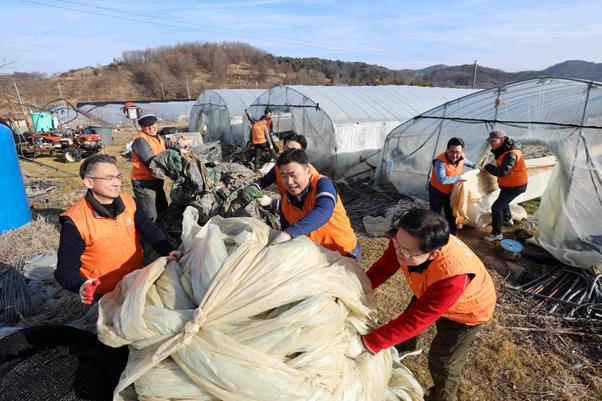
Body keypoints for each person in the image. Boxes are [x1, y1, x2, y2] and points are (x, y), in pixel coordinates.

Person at [346, 208, 496, 401]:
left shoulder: (452, 277)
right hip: (428, 288)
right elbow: (383, 269)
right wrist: (357, 290)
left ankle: (442, 398)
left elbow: (415, 321)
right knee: (414, 311)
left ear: (432, 254)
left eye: (406, 250)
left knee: (444, 361)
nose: (397, 250)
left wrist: (366, 343)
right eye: (396, 242)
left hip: (467, 310)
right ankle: (409, 345)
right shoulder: (406, 242)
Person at [55, 154, 179, 304]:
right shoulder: (75, 221)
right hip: (105, 293)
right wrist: (81, 286)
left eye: (118, 177)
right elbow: (65, 269)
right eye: (108, 178)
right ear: (89, 182)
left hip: (135, 280)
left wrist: (168, 249)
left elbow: (149, 229)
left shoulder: (130, 202)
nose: (116, 183)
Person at [270, 149, 360, 260]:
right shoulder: (285, 203)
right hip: (317, 257)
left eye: (293, 175)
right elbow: (287, 235)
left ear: (308, 172)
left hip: (344, 253)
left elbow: (323, 211)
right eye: (283, 176)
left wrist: (288, 233)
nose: (289, 182)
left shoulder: (322, 184)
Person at [483, 129, 528, 241]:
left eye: (494, 141)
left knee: (496, 207)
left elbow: (503, 172)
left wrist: (488, 167)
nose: (491, 143)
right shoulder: (504, 150)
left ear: (502, 140)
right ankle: (507, 219)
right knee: (503, 201)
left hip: (515, 187)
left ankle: (497, 233)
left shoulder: (511, 154)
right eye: (490, 141)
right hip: (510, 185)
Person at [429, 137, 476, 235]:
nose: (455, 155)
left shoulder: (461, 157)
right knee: (435, 214)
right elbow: (442, 180)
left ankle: (452, 233)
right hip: (436, 191)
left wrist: (476, 167)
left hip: (450, 191)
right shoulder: (440, 162)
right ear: (447, 149)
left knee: (450, 213)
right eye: (451, 151)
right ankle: (434, 233)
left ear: (462, 151)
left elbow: (468, 163)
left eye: (458, 152)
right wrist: (460, 177)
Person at [130, 114, 168, 222]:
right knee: (151, 215)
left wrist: (181, 149)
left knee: (162, 209)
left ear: (156, 124)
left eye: (153, 125)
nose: (151, 128)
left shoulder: (158, 137)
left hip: (156, 181)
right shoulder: (140, 141)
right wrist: (172, 170)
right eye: (147, 126)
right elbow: (151, 162)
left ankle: (162, 235)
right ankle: (149, 238)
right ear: (142, 127)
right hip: (144, 183)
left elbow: (169, 144)